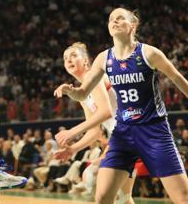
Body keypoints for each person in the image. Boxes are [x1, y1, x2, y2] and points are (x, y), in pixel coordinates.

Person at [54, 7, 188, 204]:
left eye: (119, 18)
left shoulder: (149, 53)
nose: (114, 21)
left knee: (183, 198)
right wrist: (69, 91)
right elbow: (81, 93)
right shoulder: (103, 58)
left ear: (133, 25)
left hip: (154, 130)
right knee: (103, 197)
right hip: (123, 133)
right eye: (111, 19)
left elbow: (178, 78)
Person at [53, 42, 136, 204]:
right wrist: (73, 149)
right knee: (124, 198)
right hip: (122, 138)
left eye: (74, 55)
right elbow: (95, 132)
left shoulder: (95, 76)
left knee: (96, 181)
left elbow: (106, 112)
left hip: (130, 133)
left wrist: (72, 132)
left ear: (85, 61)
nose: (68, 59)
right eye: (65, 58)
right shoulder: (82, 93)